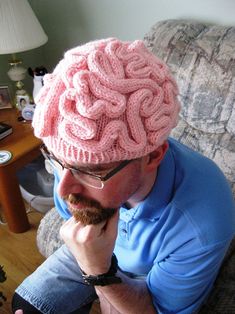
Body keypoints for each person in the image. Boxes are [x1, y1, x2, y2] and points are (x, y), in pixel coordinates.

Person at [12, 38, 235, 314]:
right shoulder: (74, 159)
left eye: (91, 172)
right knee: (26, 307)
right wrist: (91, 260)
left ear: (152, 157)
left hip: (144, 277)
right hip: (95, 251)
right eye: (57, 161)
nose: (62, 190)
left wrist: (100, 273)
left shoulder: (202, 222)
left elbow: (159, 310)